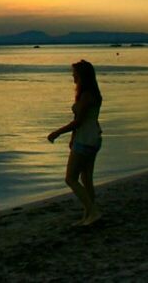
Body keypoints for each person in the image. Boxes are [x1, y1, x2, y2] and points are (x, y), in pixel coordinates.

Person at [47, 59, 103, 226]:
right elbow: (81, 120)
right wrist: (72, 137)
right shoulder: (89, 93)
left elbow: (78, 122)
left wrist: (57, 133)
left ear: (82, 75)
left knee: (70, 178)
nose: (72, 75)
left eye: (75, 73)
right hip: (91, 138)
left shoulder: (87, 96)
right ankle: (89, 215)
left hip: (86, 140)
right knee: (86, 178)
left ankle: (93, 211)